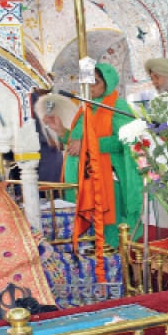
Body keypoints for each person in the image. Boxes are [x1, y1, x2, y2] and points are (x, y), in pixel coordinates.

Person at [42, 62, 142, 247]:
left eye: (95, 82)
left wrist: (87, 146)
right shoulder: (85, 108)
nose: (89, 87)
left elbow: (124, 141)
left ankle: (116, 269)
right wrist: (62, 131)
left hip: (106, 180)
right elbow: (76, 144)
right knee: (86, 236)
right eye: (86, 82)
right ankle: (92, 268)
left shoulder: (117, 106)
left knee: (108, 233)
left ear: (108, 83)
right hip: (80, 181)